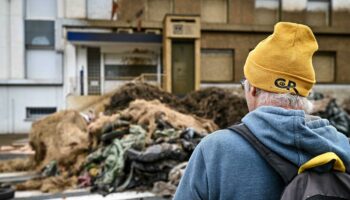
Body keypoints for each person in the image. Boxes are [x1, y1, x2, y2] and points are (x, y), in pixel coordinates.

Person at [173, 22, 350, 200]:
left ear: (254, 89)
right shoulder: (342, 147)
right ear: (305, 94)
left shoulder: (216, 150)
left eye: (245, 83)